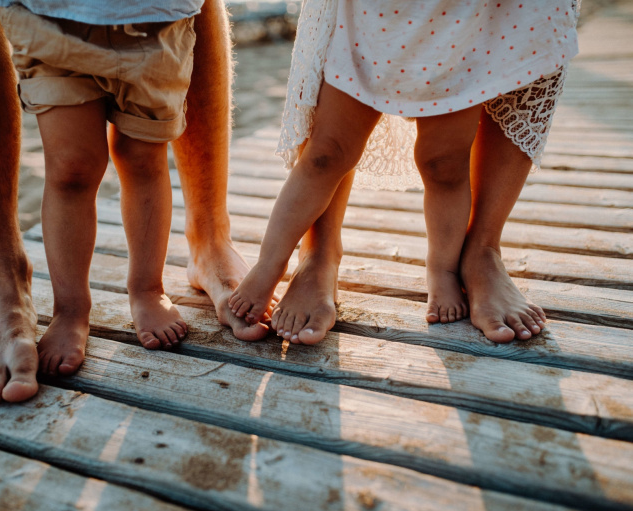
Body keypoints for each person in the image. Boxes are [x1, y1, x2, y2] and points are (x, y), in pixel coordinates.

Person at [0, 0, 266, 403]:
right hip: (52, 21)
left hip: (157, 21)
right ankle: (70, 308)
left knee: (143, 159)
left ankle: (147, 289)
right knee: (70, 167)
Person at [229, 0, 578, 345]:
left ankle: (443, 269)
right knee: (326, 155)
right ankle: (270, 264)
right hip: (372, 20)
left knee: (444, 165)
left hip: (461, 26)